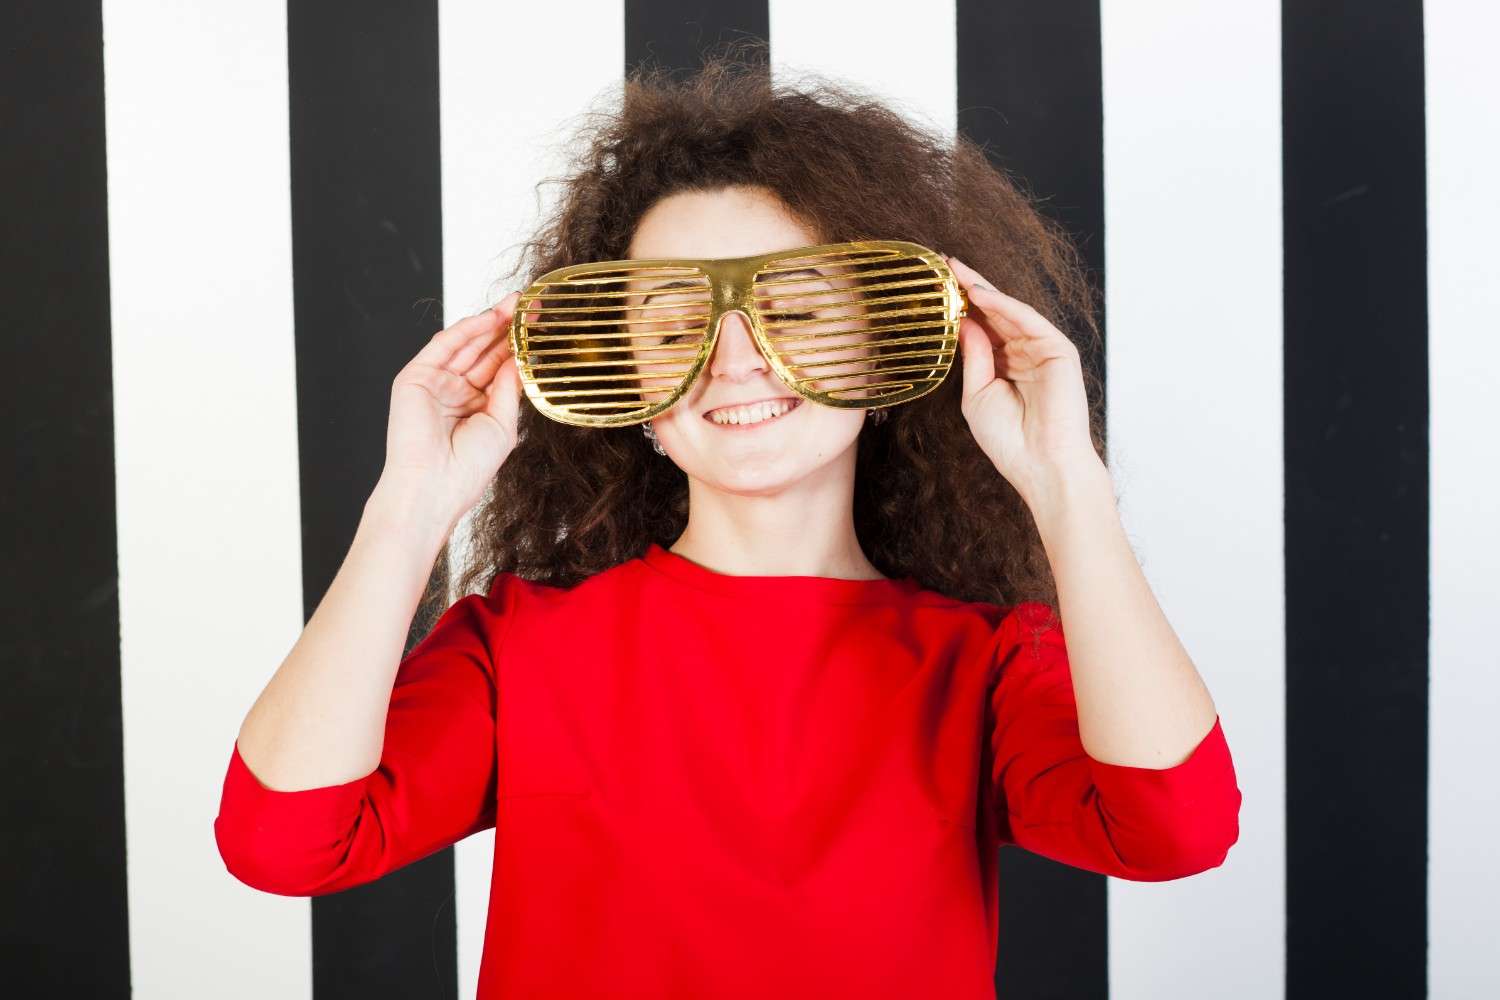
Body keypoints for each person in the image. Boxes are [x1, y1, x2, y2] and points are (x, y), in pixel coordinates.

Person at [214, 50, 1241, 999]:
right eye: (673, 325)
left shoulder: (983, 665)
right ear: (632, 390)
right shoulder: (521, 649)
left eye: (794, 312)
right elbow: (283, 840)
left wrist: (1067, 480)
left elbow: (1176, 829)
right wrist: (409, 508)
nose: (735, 357)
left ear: (882, 356)